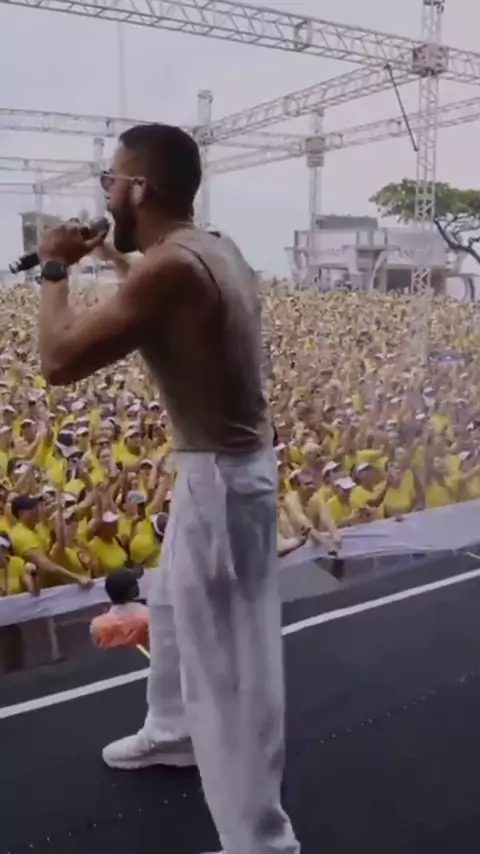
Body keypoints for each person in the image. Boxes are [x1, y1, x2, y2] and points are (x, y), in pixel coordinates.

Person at [36, 123, 299, 854]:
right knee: (174, 609)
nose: (104, 194)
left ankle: (261, 842)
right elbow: (158, 282)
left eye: (110, 180)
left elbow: (57, 362)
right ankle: (173, 731)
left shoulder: (172, 269)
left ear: (139, 188)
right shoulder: (211, 248)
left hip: (220, 478)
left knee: (227, 670)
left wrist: (55, 269)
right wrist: (110, 256)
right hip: (219, 468)